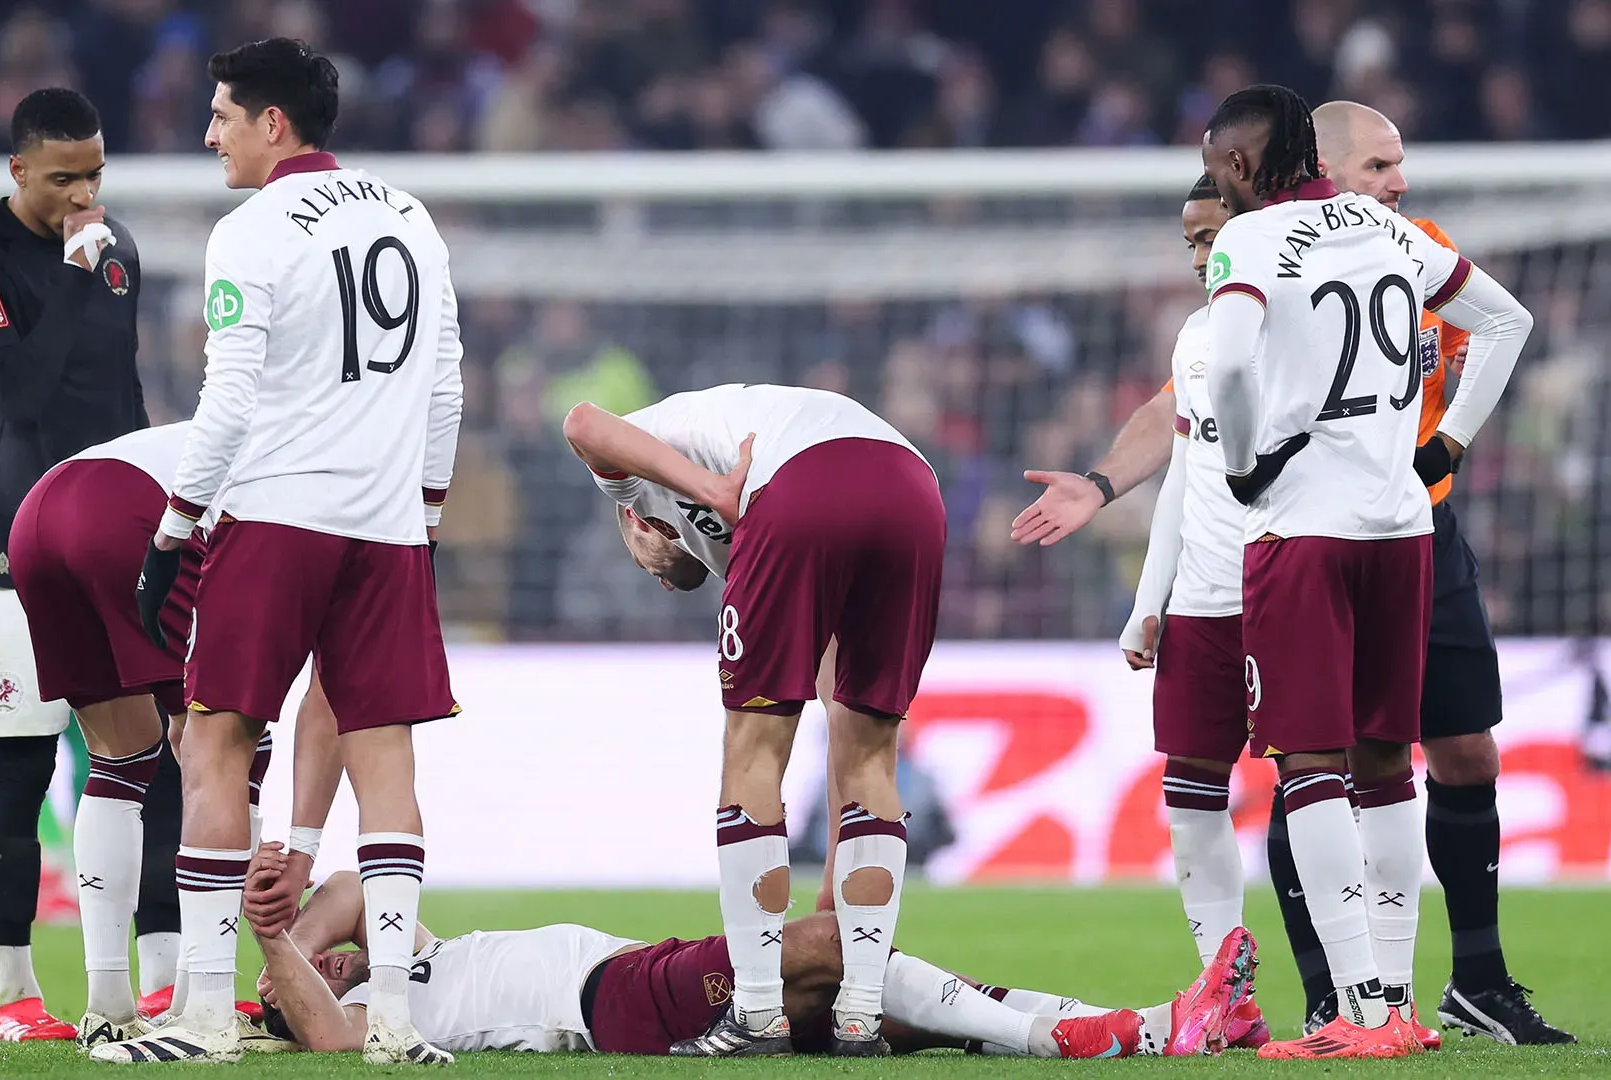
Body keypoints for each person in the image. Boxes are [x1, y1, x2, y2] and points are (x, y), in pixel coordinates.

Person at [115, 38, 465, 1065]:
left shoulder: (253, 229)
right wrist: (426, 514)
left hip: (276, 517)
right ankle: (394, 1022)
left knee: (216, 740)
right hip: (389, 522)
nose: (208, 132)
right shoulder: (410, 215)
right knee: (386, 756)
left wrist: (176, 526)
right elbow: (444, 384)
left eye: (222, 113)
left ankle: (207, 1015)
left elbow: (226, 402)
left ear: (276, 124)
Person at [1199, 84, 1532, 1058]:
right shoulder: (1397, 236)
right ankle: (1398, 1008)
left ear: (1247, 164)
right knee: (1391, 761)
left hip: (1305, 531)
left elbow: (1225, 369)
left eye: (1223, 169)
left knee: (1309, 764)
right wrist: (1449, 445)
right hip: (1403, 532)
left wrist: (1244, 464)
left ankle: (1358, 1010)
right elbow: (1505, 321)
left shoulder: (1251, 241)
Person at [562, 384, 943, 1056]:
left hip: (796, 480)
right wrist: (835, 896)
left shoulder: (631, 493)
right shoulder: (733, 545)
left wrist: (712, 491)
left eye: (644, 561)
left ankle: (759, 1012)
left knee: (754, 747)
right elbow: (838, 706)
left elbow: (584, 421)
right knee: (871, 749)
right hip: (911, 486)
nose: (655, 576)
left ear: (637, 525)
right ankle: (860, 1013)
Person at [0, 87, 153, 1042]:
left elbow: (118, 397)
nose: (84, 195)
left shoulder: (116, 254)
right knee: (21, 768)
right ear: (18, 171)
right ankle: (18, 997)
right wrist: (68, 273)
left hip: (111, 543)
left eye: (96, 174)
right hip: (7, 545)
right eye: (64, 178)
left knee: (157, 759)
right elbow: (17, 394)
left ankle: (165, 979)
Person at [240, 848, 1258, 1060]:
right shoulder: (387, 1018)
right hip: (616, 1002)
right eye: (297, 993)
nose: (323, 976)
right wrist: (273, 944)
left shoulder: (407, 954)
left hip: (647, 975)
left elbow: (358, 886)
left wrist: (307, 921)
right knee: (832, 945)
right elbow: (329, 1043)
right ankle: (1096, 1040)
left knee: (909, 1012)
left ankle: (1172, 1022)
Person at [7, 422, 274, 1046]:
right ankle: (196, 994)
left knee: (120, 756)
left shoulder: (251, 425)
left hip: (38, 515)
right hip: (132, 515)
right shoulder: (310, 462)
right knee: (240, 747)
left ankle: (106, 1002)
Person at [1113, 173, 1272, 1052]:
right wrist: (1150, 603)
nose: (1205, 257)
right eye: (1193, 244)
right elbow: (1182, 474)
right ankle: (1223, 987)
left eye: (1215, 236)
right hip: (1204, 600)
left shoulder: (1298, 327)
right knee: (1191, 796)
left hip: (1289, 585)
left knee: (1328, 787)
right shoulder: (1197, 337)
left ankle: (1365, 992)